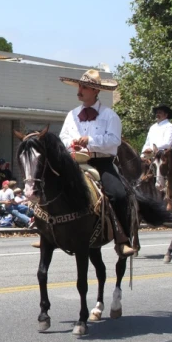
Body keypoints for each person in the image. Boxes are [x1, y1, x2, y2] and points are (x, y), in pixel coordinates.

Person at [58, 69, 135, 257]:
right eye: (79, 86)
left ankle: (122, 239)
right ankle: (47, 232)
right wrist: (73, 143)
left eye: (84, 87)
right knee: (50, 187)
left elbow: (114, 140)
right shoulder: (72, 114)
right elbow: (63, 137)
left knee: (118, 194)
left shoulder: (110, 116)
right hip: (74, 162)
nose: (80, 90)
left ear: (95, 91)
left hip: (102, 163)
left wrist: (89, 140)